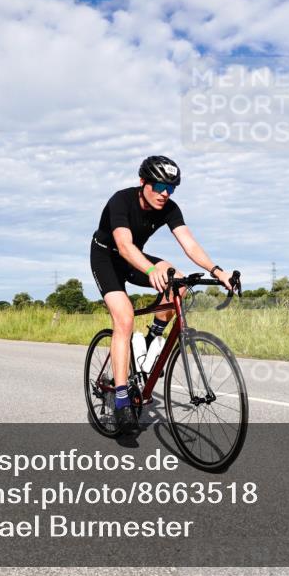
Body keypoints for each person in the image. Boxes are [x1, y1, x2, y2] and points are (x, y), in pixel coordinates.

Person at [90, 155, 234, 431]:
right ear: (143, 182)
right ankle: (120, 399)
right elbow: (123, 244)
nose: (165, 194)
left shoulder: (169, 208)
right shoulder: (120, 200)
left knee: (177, 280)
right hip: (107, 258)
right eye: (159, 187)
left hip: (135, 257)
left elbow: (189, 244)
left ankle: (152, 338)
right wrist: (149, 270)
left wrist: (218, 271)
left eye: (171, 189)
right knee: (124, 318)